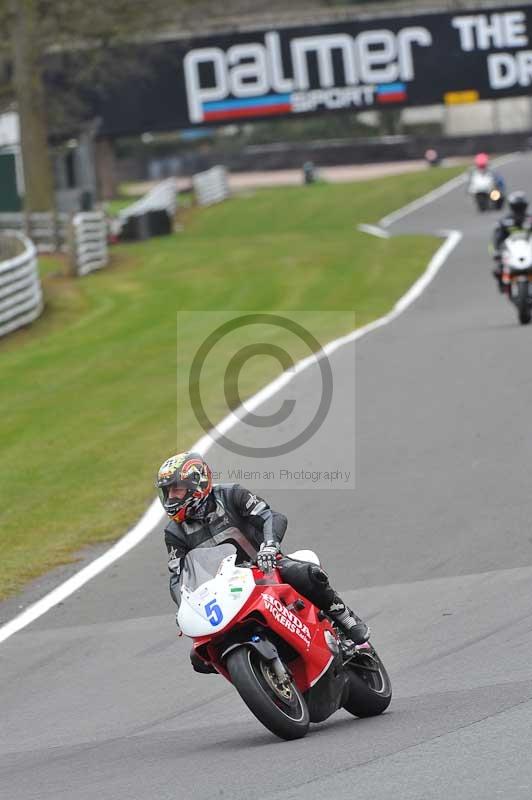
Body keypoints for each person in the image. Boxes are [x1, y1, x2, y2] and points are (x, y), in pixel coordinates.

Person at [156, 452, 370, 673]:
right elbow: (177, 576)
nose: (171, 498)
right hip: (221, 591)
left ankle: (345, 618)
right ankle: (255, 672)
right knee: (199, 657)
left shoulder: (231, 495)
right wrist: (184, 604)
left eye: (176, 489)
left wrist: (269, 546)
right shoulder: (174, 532)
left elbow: (271, 517)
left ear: (197, 484)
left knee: (305, 574)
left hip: (263, 567)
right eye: (167, 492)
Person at [491, 190, 532, 290]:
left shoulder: (530, 219)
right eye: (517, 205)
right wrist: (496, 252)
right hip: (511, 251)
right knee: (498, 269)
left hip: (528, 250)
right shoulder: (504, 221)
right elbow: (497, 238)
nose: (519, 208)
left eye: (520, 205)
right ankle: (503, 285)